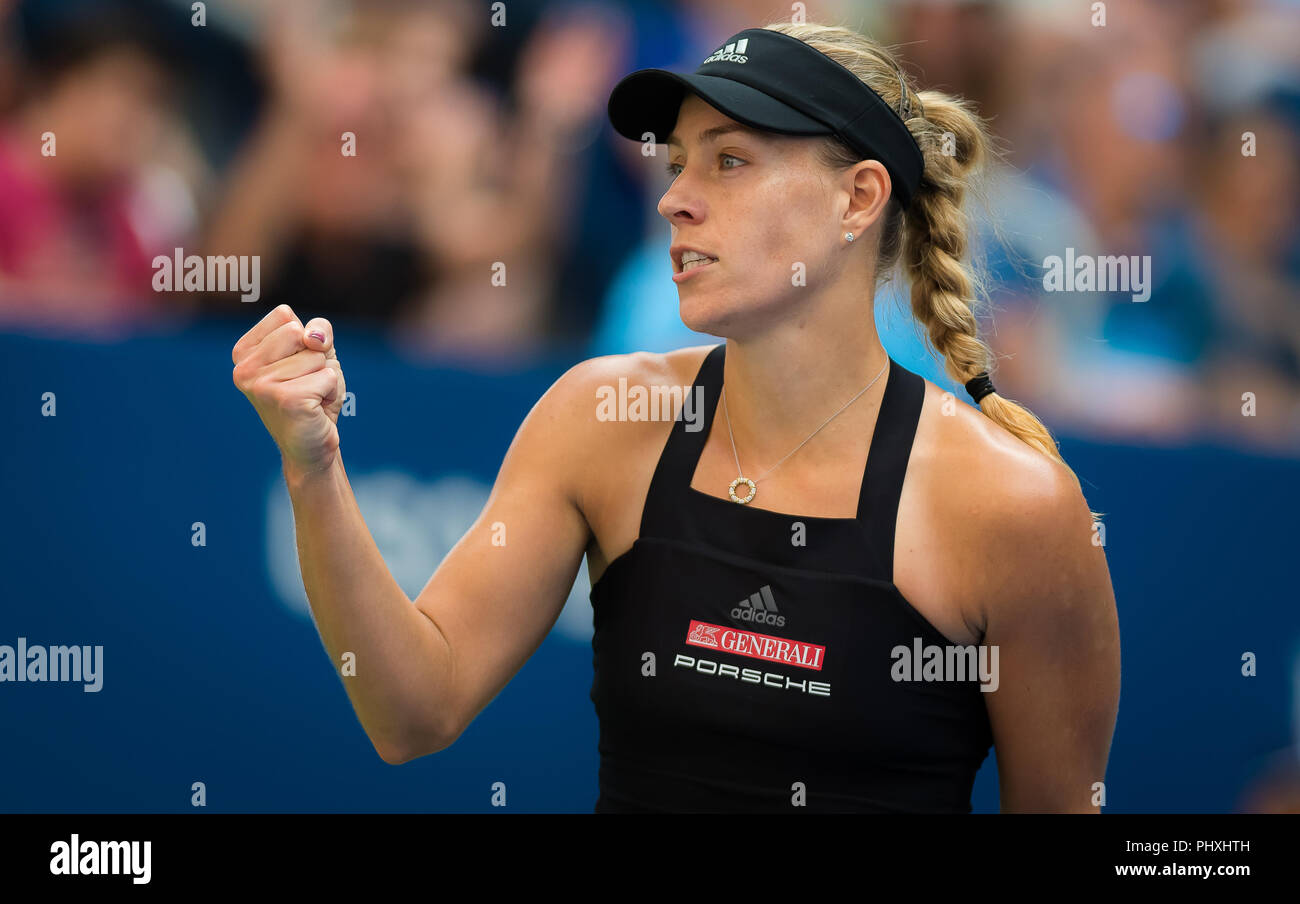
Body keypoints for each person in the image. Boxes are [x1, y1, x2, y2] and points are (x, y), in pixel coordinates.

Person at [232, 22, 1120, 813]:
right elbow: (410, 711)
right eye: (677, 164)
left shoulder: (1014, 505)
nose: (674, 198)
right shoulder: (599, 419)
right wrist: (314, 468)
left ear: (857, 199)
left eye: (728, 160)